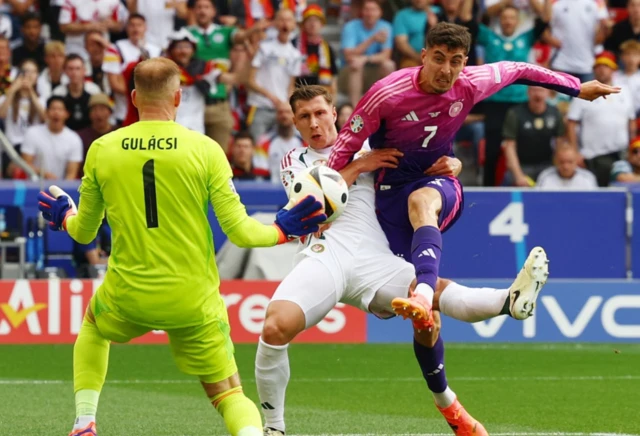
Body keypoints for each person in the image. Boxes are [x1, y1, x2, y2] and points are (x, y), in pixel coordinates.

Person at [326, 22, 618, 429]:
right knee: (427, 323)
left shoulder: (471, 82)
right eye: (440, 59)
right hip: (388, 200)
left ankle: (425, 291)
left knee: (422, 206)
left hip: (438, 183)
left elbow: (519, 68)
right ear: (423, 56)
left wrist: (575, 87)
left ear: (465, 63)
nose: (447, 70)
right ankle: (458, 398)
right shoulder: (387, 93)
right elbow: (339, 153)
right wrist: (351, 172)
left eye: (457, 61)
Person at [35, 57, 326, 436]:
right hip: (193, 299)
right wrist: (282, 228)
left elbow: (84, 234)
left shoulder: (103, 148)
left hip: (128, 293)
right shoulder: (205, 149)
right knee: (228, 393)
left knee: (93, 327)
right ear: (179, 96)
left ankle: (84, 421)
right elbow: (241, 233)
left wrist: (64, 216)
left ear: (135, 97)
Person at [256, 85, 550, 436]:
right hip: (326, 255)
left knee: (431, 300)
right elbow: (315, 204)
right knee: (275, 327)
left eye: (320, 113)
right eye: (304, 117)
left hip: (374, 259)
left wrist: (451, 163)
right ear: (295, 122)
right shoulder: (295, 161)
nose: (314, 123)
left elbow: (426, 158)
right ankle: (273, 428)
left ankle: (508, 302)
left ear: (335, 113)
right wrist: (360, 166)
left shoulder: (372, 144)